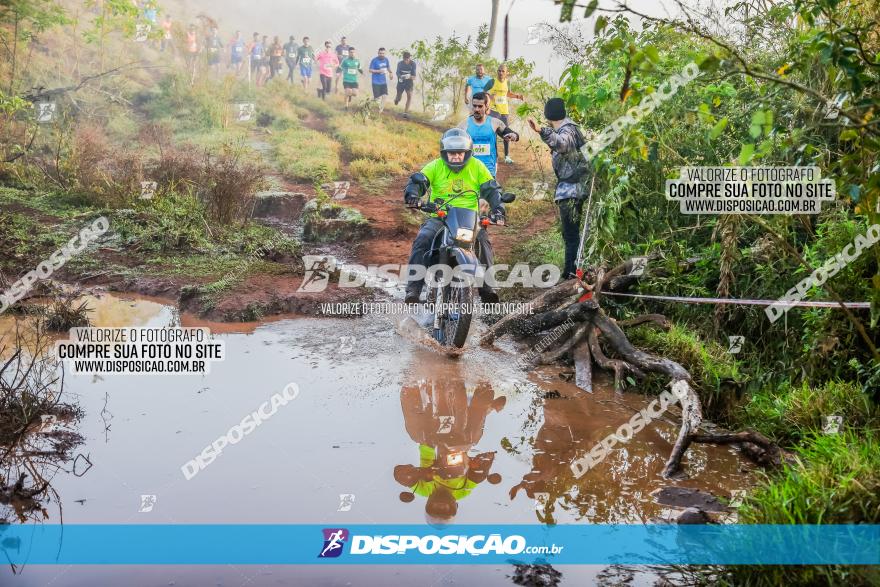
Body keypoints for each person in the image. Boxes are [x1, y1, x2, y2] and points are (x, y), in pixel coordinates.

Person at [403, 128, 506, 304]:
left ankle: (488, 289)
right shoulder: (435, 166)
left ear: (468, 153)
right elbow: (419, 181)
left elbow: (492, 190)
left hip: (469, 219)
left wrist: (498, 209)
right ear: (444, 153)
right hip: (440, 216)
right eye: (452, 154)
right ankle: (413, 288)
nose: (456, 157)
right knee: (423, 238)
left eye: (460, 153)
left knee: (483, 241)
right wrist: (413, 194)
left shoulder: (477, 166)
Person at [528, 98, 592, 279]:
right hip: (571, 188)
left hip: (572, 190)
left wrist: (541, 131)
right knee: (570, 234)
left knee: (571, 235)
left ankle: (571, 274)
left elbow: (562, 144)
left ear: (549, 116)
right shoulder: (570, 128)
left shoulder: (568, 130)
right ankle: (571, 270)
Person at [457, 92, 519, 178]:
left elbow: (511, 133)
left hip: (489, 171)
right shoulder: (463, 124)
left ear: (486, 107)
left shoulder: (495, 123)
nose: (476, 109)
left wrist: (513, 136)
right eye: (474, 106)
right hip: (470, 171)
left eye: (480, 106)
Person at [488, 64, 524, 164]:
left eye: (502, 71)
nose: (500, 73)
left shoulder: (507, 82)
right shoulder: (492, 81)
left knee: (507, 132)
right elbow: (484, 92)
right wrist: (489, 96)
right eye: (499, 71)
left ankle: (507, 156)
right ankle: (494, 155)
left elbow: (507, 93)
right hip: (493, 110)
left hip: (504, 111)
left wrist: (517, 96)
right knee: (493, 132)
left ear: (506, 73)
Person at [369, 47, 393, 112]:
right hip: (375, 81)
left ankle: (381, 110)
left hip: (383, 82)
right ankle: (370, 101)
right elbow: (370, 70)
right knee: (377, 99)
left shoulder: (386, 60)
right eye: (380, 53)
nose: (381, 54)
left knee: (385, 96)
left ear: (385, 54)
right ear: (378, 53)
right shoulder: (374, 60)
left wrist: (391, 73)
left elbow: (388, 67)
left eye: (383, 53)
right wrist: (378, 71)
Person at [394, 51, 416, 117]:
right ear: (403, 58)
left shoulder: (413, 64)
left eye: (408, 59)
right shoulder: (400, 64)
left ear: (410, 58)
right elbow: (397, 73)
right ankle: (396, 99)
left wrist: (410, 77)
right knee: (399, 97)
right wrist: (401, 77)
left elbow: (414, 76)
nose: (406, 61)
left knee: (409, 96)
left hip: (409, 82)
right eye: (405, 59)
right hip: (401, 81)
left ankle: (405, 113)